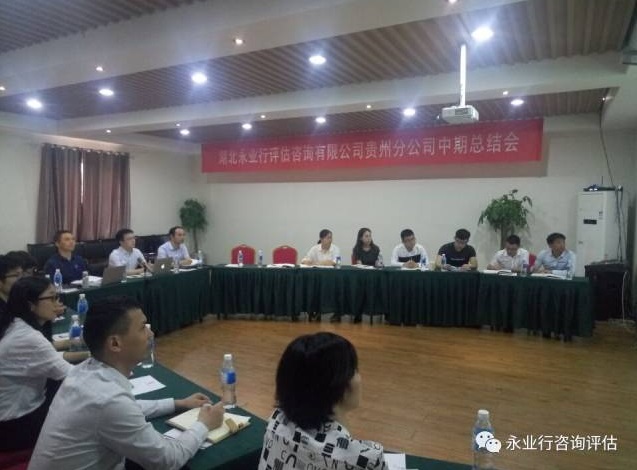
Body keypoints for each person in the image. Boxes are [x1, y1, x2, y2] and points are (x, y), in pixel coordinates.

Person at [29, 295, 225, 469]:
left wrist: (177, 403)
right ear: (115, 343)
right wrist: (204, 424)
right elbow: (167, 460)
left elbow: (128, 408)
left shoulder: (85, 370)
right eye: (142, 328)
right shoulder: (108, 399)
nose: (150, 334)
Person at [258, 332, 387, 470]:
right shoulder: (366, 459)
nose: (360, 378)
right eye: (354, 370)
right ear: (339, 385)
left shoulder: (276, 422)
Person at [0, 277, 87, 451]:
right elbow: (72, 376)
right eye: (52, 298)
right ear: (31, 304)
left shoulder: (16, 324)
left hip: (15, 415)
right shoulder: (27, 337)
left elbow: (48, 360)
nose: (58, 303)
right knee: (84, 413)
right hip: (14, 427)